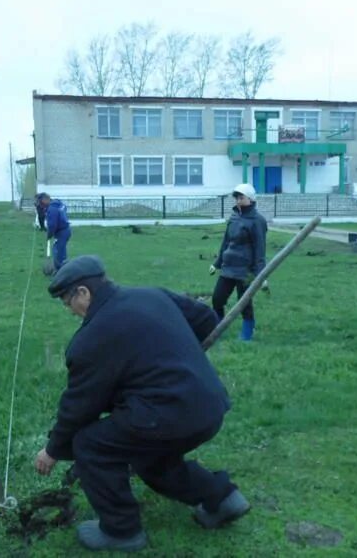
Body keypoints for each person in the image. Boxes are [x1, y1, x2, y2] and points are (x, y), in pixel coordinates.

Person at [34, 255, 249, 552]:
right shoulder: (152, 294)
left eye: (66, 302)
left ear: (83, 292)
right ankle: (222, 499)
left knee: (90, 444)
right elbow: (206, 320)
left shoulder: (90, 340)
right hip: (209, 407)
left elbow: (79, 408)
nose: (69, 311)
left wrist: (53, 449)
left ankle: (121, 531)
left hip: (168, 416)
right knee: (150, 459)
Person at [209, 183, 268, 342]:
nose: (238, 200)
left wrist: (261, 275)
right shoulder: (234, 217)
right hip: (228, 267)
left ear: (251, 199)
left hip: (245, 270)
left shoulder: (258, 221)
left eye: (241, 197)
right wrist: (217, 263)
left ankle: (248, 331)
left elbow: (260, 249)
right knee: (217, 299)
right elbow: (226, 243)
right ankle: (218, 327)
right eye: (236, 197)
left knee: (244, 302)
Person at [38, 193, 71, 270]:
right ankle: (63, 269)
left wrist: (49, 235)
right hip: (66, 230)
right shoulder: (59, 203)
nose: (41, 205)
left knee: (57, 252)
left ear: (45, 199)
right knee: (61, 251)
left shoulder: (52, 209)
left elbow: (52, 225)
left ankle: (60, 272)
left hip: (61, 232)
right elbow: (64, 210)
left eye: (41, 202)